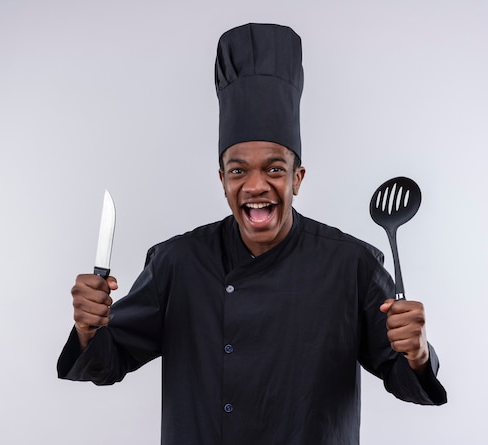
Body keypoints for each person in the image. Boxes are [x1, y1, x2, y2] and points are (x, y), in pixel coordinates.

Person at [58, 23, 447, 444]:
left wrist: (418, 353)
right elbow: (105, 362)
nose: (256, 185)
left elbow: (408, 381)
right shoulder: (178, 263)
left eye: (274, 169)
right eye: (239, 170)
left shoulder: (352, 265)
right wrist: (87, 327)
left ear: (297, 178)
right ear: (222, 179)